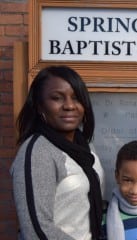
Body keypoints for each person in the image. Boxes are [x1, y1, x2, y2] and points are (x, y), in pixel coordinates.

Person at [10, 65, 105, 240]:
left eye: (76, 98)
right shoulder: (38, 152)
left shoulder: (85, 145)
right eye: (56, 98)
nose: (69, 106)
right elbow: (36, 231)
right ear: (39, 106)